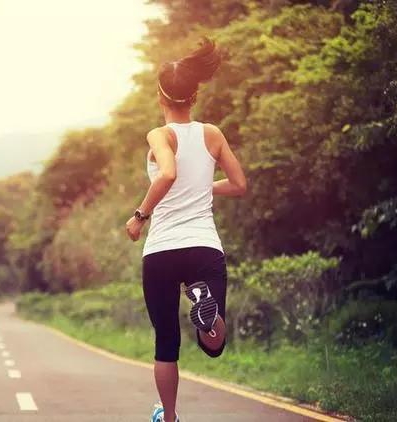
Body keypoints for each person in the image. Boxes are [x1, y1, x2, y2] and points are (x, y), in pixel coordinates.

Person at [124, 37, 247, 422]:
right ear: (193, 97)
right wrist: (203, 188)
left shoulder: (159, 135)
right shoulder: (212, 133)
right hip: (203, 248)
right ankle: (207, 313)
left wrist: (139, 216)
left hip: (161, 250)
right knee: (213, 345)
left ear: (161, 98)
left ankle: (171, 417)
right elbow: (240, 184)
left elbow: (169, 172)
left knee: (166, 342)